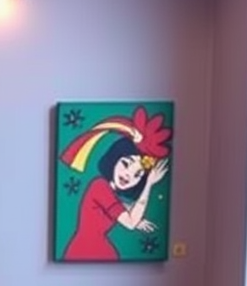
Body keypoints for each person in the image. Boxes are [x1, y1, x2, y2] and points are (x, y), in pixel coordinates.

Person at [60, 107, 171, 261]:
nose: (128, 175)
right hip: (86, 247)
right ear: (113, 160)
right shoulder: (99, 186)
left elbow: (118, 208)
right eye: (125, 164)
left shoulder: (106, 190)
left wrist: (135, 216)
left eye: (138, 174)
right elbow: (130, 223)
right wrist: (149, 184)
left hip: (98, 248)